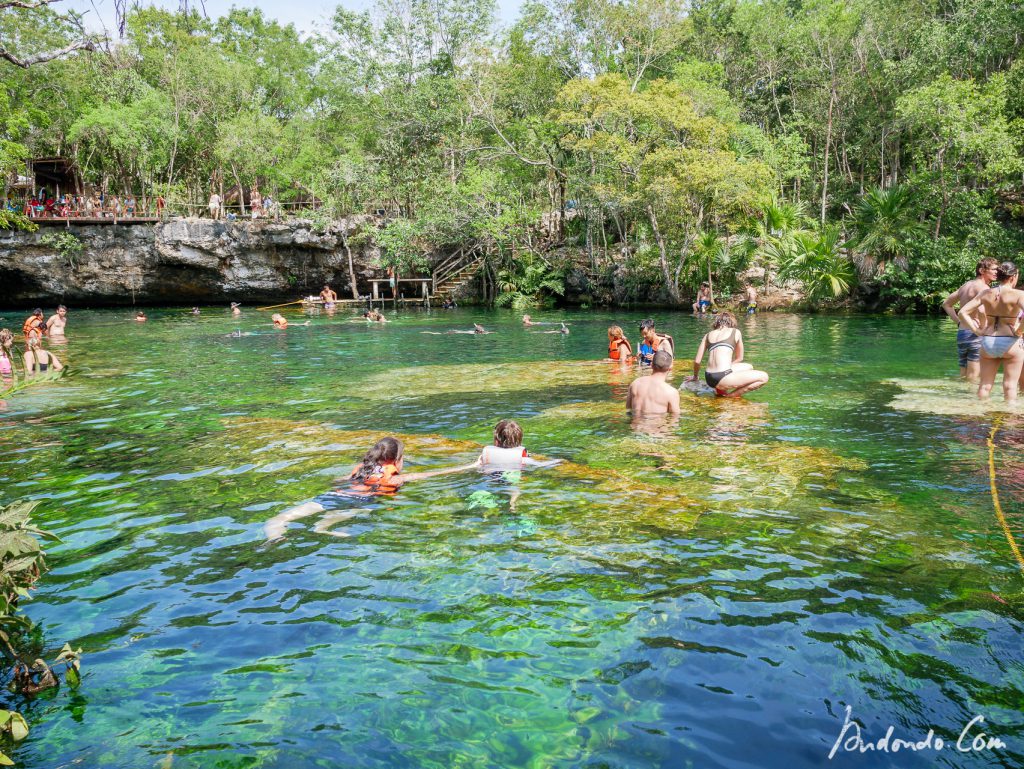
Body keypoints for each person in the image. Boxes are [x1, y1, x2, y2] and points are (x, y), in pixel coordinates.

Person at [264, 437, 476, 540]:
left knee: (278, 519)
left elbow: (339, 481)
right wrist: (469, 466)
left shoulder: (360, 469)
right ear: (396, 460)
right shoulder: (393, 477)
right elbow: (428, 474)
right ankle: (322, 529)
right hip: (362, 502)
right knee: (347, 513)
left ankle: (275, 537)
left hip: (333, 496)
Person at [958, 261, 1024, 403]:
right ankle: (1009, 416)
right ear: (1013, 276)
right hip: (1010, 341)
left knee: (985, 385)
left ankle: (981, 414)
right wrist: (1019, 331)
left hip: (988, 341)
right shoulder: (1019, 294)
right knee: (1010, 386)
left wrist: (977, 330)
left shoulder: (986, 293)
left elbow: (962, 312)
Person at [942, 257, 999, 380]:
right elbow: (981, 310)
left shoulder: (966, 285)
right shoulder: (984, 289)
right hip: (975, 335)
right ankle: (971, 399)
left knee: (964, 375)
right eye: (994, 269)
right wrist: (983, 328)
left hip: (962, 334)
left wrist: (958, 322)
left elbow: (946, 304)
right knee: (974, 377)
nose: (997, 272)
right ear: (982, 270)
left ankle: (961, 397)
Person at [690, 311, 769, 397]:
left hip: (709, 378)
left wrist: (695, 377)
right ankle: (730, 396)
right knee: (764, 377)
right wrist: (725, 370)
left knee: (749, 367)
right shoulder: (735, 332)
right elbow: (739, 358)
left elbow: (697, 361)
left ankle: (719, 390)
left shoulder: (707, 335)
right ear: (732, 322)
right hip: (722, 378)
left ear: (716, 322)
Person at [627, 350, 680, 415]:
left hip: (635, 424)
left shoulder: (635, 383)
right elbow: (675, 419)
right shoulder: (671, 392)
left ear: (651, 365)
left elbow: (628, 410)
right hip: (656, 424)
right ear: (670, 368)